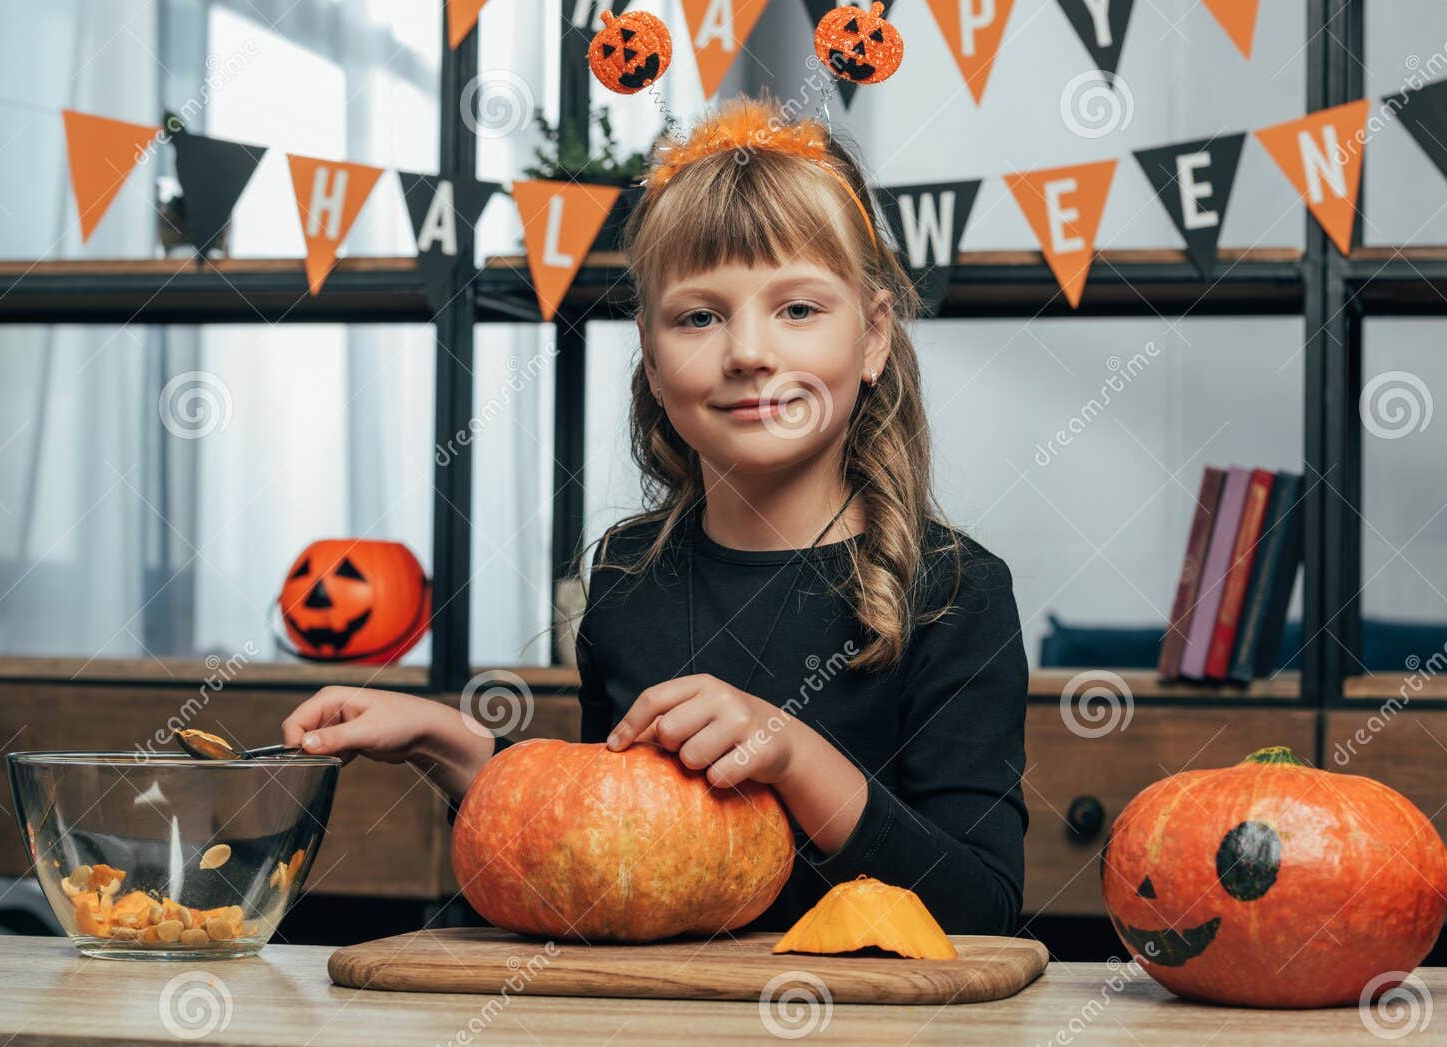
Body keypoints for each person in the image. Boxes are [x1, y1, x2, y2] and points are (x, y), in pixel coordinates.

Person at [283, 93, 1028, 936]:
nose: (748, 352)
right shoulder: (629, 579)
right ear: (650, 347)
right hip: (655, 1034)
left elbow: (985, 912)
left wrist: (793, 756)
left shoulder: (954, 593)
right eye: (700, 317)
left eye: (799, 309)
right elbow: (616, 841)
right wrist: (451, 747)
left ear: (873, 337)